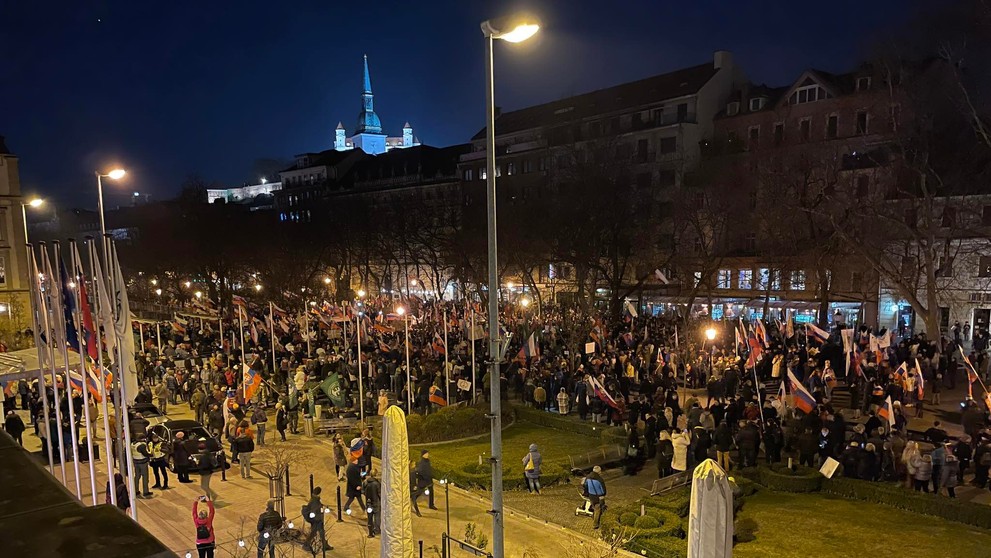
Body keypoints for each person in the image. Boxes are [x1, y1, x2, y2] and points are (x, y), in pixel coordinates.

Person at [302, 487, 332, 552]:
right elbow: (314, 511)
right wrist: (318, 519)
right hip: (317, 521)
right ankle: (306, 545)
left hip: (318, 520)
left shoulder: (315, 499)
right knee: (314, 533)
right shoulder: (315, 501)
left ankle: (325, 545)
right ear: (319, 493)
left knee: (321, 533)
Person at [582, 465, 607, 529]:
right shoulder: (599, 479)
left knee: (594, 508)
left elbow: (585, 486)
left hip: (591, 496)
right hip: (598, 497)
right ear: (599, 472)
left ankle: (595, 518)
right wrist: (603, 495)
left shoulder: (588, 477)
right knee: (598, 510)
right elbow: (603, 490)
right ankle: (595, 524)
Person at [132, 434, 153, 498]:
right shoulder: (141, 446)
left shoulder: (133, 444)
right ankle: (145, 491)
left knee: (137, 476)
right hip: (142, 462)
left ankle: (136, 490)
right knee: (145, 477)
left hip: (135, 462)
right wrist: (151, 455)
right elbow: (145, 454)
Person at [363, 469, 382, 538]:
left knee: (369, 517)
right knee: (377, 517)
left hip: (368, 502)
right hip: (376, 502)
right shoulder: (377, 484)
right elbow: (379, 493)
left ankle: (370, 529)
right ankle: (377, 530)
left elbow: (363, 491)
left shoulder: (365, 482)